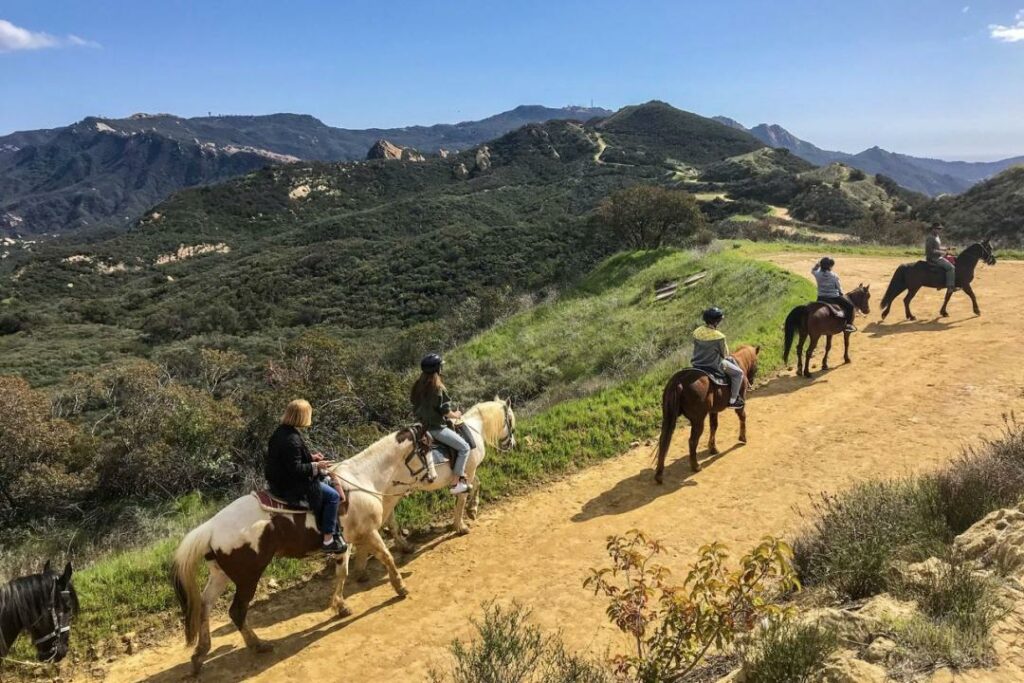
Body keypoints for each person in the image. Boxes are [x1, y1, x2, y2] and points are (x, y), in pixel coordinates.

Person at [264, 399, 348, 554]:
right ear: (301, 416)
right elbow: (296, 469)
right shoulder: (292, 439)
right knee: (333, 496)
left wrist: (311, 457)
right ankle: (328, 539)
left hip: (280, 479)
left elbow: (290, 459)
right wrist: (317, 466)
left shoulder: (282, 431)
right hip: (291, 485)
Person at [411, 353, 472, 495]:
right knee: (464, 448)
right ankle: (456, 482)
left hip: (420, 427)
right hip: (436, 429)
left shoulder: (417, 386)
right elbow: (445, 411)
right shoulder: (438, 387)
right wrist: (456, 415)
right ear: (438, 369)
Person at [691, 307, 745, 410]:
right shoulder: (719, 336)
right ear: (717, 321)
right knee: (738, 374)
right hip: (714, 366)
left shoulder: (697, 331)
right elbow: (724, 354)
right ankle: (733, 400)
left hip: (697, 364)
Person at [811, 257, 857, 333]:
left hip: (821, 298)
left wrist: (818, 264)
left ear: (821, 265)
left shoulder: (817, 274)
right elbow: (839, 288)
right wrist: (841, 293)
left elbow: (813, 270)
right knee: (851, 307)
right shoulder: (834, 275)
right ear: (830, 266)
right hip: (834, 298)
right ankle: (848, 325)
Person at [926, 222, 956, 293]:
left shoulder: (937, 237)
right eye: (938, 229)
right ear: (933, 229)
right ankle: (950, 287)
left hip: (938, 257)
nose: (939, 230)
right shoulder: (930, 238)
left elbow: (938, 247)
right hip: (933, 259)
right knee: (951, 268)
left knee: (953, 260)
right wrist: (945, 252)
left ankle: (941, 283)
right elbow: (930, 250)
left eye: (940, 229)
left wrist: (948, 248)